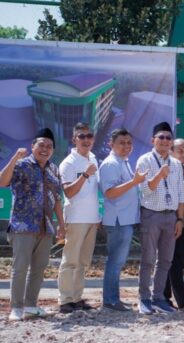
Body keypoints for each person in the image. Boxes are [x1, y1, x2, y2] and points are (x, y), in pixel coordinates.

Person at [0, 129, 64, 321]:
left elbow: (57, 200)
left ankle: (30, 305)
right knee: (20, 267)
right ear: (32, 147)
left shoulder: (54, 169)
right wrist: (14, 157)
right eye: (41, 145)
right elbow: (2, 182)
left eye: (49, 146)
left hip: (46, 227)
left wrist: (61, 224)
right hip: (23, 225)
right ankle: (16, 307)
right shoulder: (20, 165)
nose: (45, 149)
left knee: (39, 268)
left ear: (53, 150)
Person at [135, 121, 184, 315]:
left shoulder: (175, 164)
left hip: (170, 217)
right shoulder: (145, 160)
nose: (165, 141)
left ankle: (158, 298)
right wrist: (158, 175)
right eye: (161, 137)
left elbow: (181, 194)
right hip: (151, 214)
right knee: (148, 259)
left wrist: (179, 220)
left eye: (168, 138)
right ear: (153, 140)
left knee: (165, 260)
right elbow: (145, 191)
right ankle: (144, 298)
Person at [99, 128, 146, 312]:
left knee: (117, 262)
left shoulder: (122, 162)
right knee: (115, 261)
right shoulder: (111, 164)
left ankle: (112, 298)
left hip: (124, 219)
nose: (126, 146)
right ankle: (110, 300)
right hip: (118, 221)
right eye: (122, 143)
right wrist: (134, 182)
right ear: (111, 144)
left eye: (129, 143)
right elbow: (109, 193)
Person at [57, 122, 100, 313]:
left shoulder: (94, 158)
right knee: (70, 260)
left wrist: (98, 217)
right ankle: (65, 300)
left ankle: (76, 297)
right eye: (81, 136)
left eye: (89, 136)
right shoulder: (68, 163)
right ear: (74, 139)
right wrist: (84, 175)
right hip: (75, 218)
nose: (86, 139)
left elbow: (94, 192)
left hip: (91, 218)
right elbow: (69, 192)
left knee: (83, 261)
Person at [163, 138, 184, 313]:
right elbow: (172, 193)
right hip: (173, 222)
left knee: (173, 261)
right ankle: (183, 302)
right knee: (174, 262)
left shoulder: (182, 169)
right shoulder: (169, 168)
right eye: (180, 151)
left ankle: (164, 297)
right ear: (171, 151)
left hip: (182, 223)